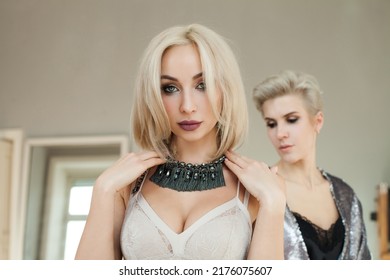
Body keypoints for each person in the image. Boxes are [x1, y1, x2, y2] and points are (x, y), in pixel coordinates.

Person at [75, 23, 286, 260]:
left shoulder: (257, 190)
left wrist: (273, 203)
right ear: (153, 94)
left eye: (202, 85)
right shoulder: (126, 185)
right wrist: (102, 190)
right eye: (170, 88)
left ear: (225, 90)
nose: (187, 106)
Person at [252, 70, 371, 260]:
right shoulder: (260, 192)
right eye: (271, 124)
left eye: (291, 120)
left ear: (318, 121)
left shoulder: (347, 196)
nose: (280, 133)